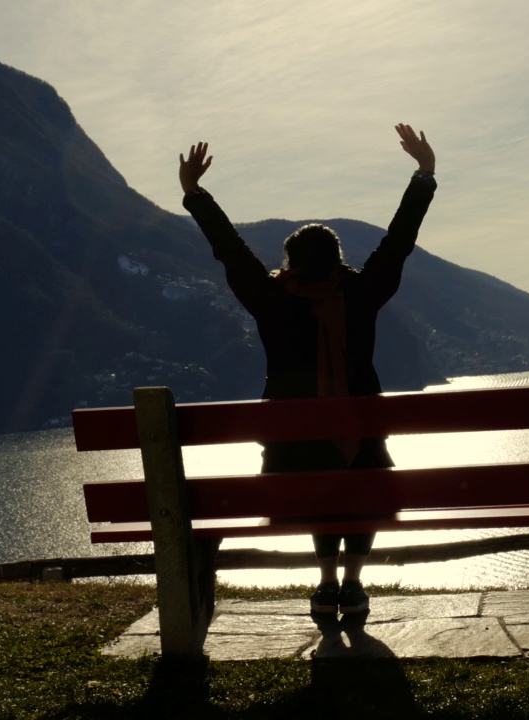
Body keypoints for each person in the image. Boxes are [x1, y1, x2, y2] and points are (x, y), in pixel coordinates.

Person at [178, 124, 436, 615]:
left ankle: (325, 583)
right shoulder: (360, 295)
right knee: (363, 479)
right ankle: (354, 585)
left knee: (316, 473)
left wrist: (194, 193)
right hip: (362, 437)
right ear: (339, 261)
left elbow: (229, 249)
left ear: (289, 261)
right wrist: (424, 174)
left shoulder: (271, 299)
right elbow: (398, 241)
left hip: (290, 454)